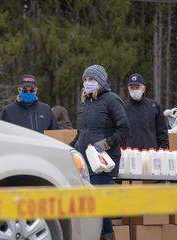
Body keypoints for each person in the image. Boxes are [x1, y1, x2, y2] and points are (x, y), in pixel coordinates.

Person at [70, 64, 130, 240]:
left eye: (91, 79)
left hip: (103, 162)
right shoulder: (84, 102)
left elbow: (125, 129)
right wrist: (69, 148)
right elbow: (81, 133)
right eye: (85, 80)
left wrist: (105, 144)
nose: (88, 83)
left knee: (99, 206)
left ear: (101, 82)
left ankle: (108, 236)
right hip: (84, 161)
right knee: (93, 208)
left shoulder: (112, 100)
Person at [124, 73, 169, 150]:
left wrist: (164, 148)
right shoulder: (123, 108)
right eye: (132, 88)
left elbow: (162, 131)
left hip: (150, 154)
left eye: (137, 87)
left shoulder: (154, 106)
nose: (134, 90)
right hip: (129, 154)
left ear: (143, 88)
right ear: (128, 89)